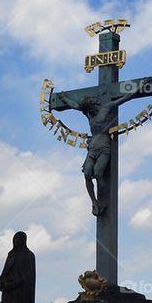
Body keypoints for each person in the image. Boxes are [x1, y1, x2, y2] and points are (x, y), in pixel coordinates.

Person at [56, 88, 140, 216]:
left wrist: (139, 88)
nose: (89, 113)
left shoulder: (106, 108)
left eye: (90, 110)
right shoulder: (88, 113)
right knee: (87, 174)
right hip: (92, 148)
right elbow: (75, 106)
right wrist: (63, 98)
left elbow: (124, 98)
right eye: (87, 112)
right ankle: (94, 202)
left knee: (98, 174)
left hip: (104, 147)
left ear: (94, 105)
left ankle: (105, 198)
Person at [0, 231, 36, 303]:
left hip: (21, 295)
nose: (16, 241)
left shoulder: (29, 255)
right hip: (8, 294)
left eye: (18, 239)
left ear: (24, 241)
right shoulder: (11, 255)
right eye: (15, 239)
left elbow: (29, 276)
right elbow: (5, 273)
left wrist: (16, 283)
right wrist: (3, 282)